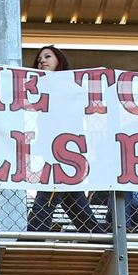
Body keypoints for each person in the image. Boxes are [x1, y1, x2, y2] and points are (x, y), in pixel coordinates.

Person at [27, 45, 102, 234]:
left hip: (63, 151)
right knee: (72, 200)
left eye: (47, 56)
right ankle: (97, 236)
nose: (41, 61)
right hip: (54, 151)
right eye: (39, 59)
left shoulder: (68, 86)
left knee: (48, 195)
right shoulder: (40, 88)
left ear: (59, 60)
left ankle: (32, 240)